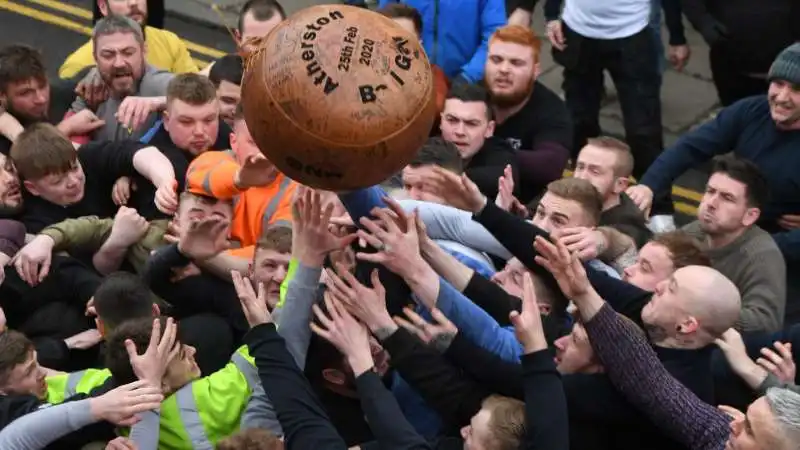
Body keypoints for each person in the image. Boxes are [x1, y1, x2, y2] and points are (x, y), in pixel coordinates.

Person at [626, 42, 800, 324]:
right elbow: (690, 148)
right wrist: (649, 185)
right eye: (778, 83)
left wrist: (759, 246)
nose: (781, 96)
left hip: (781, 251)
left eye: (796, 89)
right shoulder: (750, 112)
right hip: (731, 229)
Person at [682, 155, 785, 332]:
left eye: (727, 198)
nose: (711, 203)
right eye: (710, 191)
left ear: (750, 216)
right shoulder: (694, 231)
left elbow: (765, 321)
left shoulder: (761, 255)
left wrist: (697, 310)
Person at [484, 25, 573, 203]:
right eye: (496, 59)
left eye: (516, 63)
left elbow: (550, 165)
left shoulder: (552, 110)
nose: (504, 69)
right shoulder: (470, 95)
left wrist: (482, 150)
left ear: (536, 70)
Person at [68, 16, 175, 142]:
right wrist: (66, 128)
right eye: (108, 55)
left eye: (128, 53)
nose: (119, 63)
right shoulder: (92, 87)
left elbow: (201, 94)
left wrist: (160, 102)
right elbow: (56, 144)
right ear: (95, 58)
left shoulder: (157, 83)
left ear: (144, 51)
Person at [377, 0, 506, 84]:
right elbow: (381, 25)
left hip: (465, 83)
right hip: (404, 79)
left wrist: (467, 77)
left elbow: (494, 36)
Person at [63, 0, 196, 79]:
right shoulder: (77, 66)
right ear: (103, 6)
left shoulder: (170, 42)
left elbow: (195, 92)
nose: (133, 3)